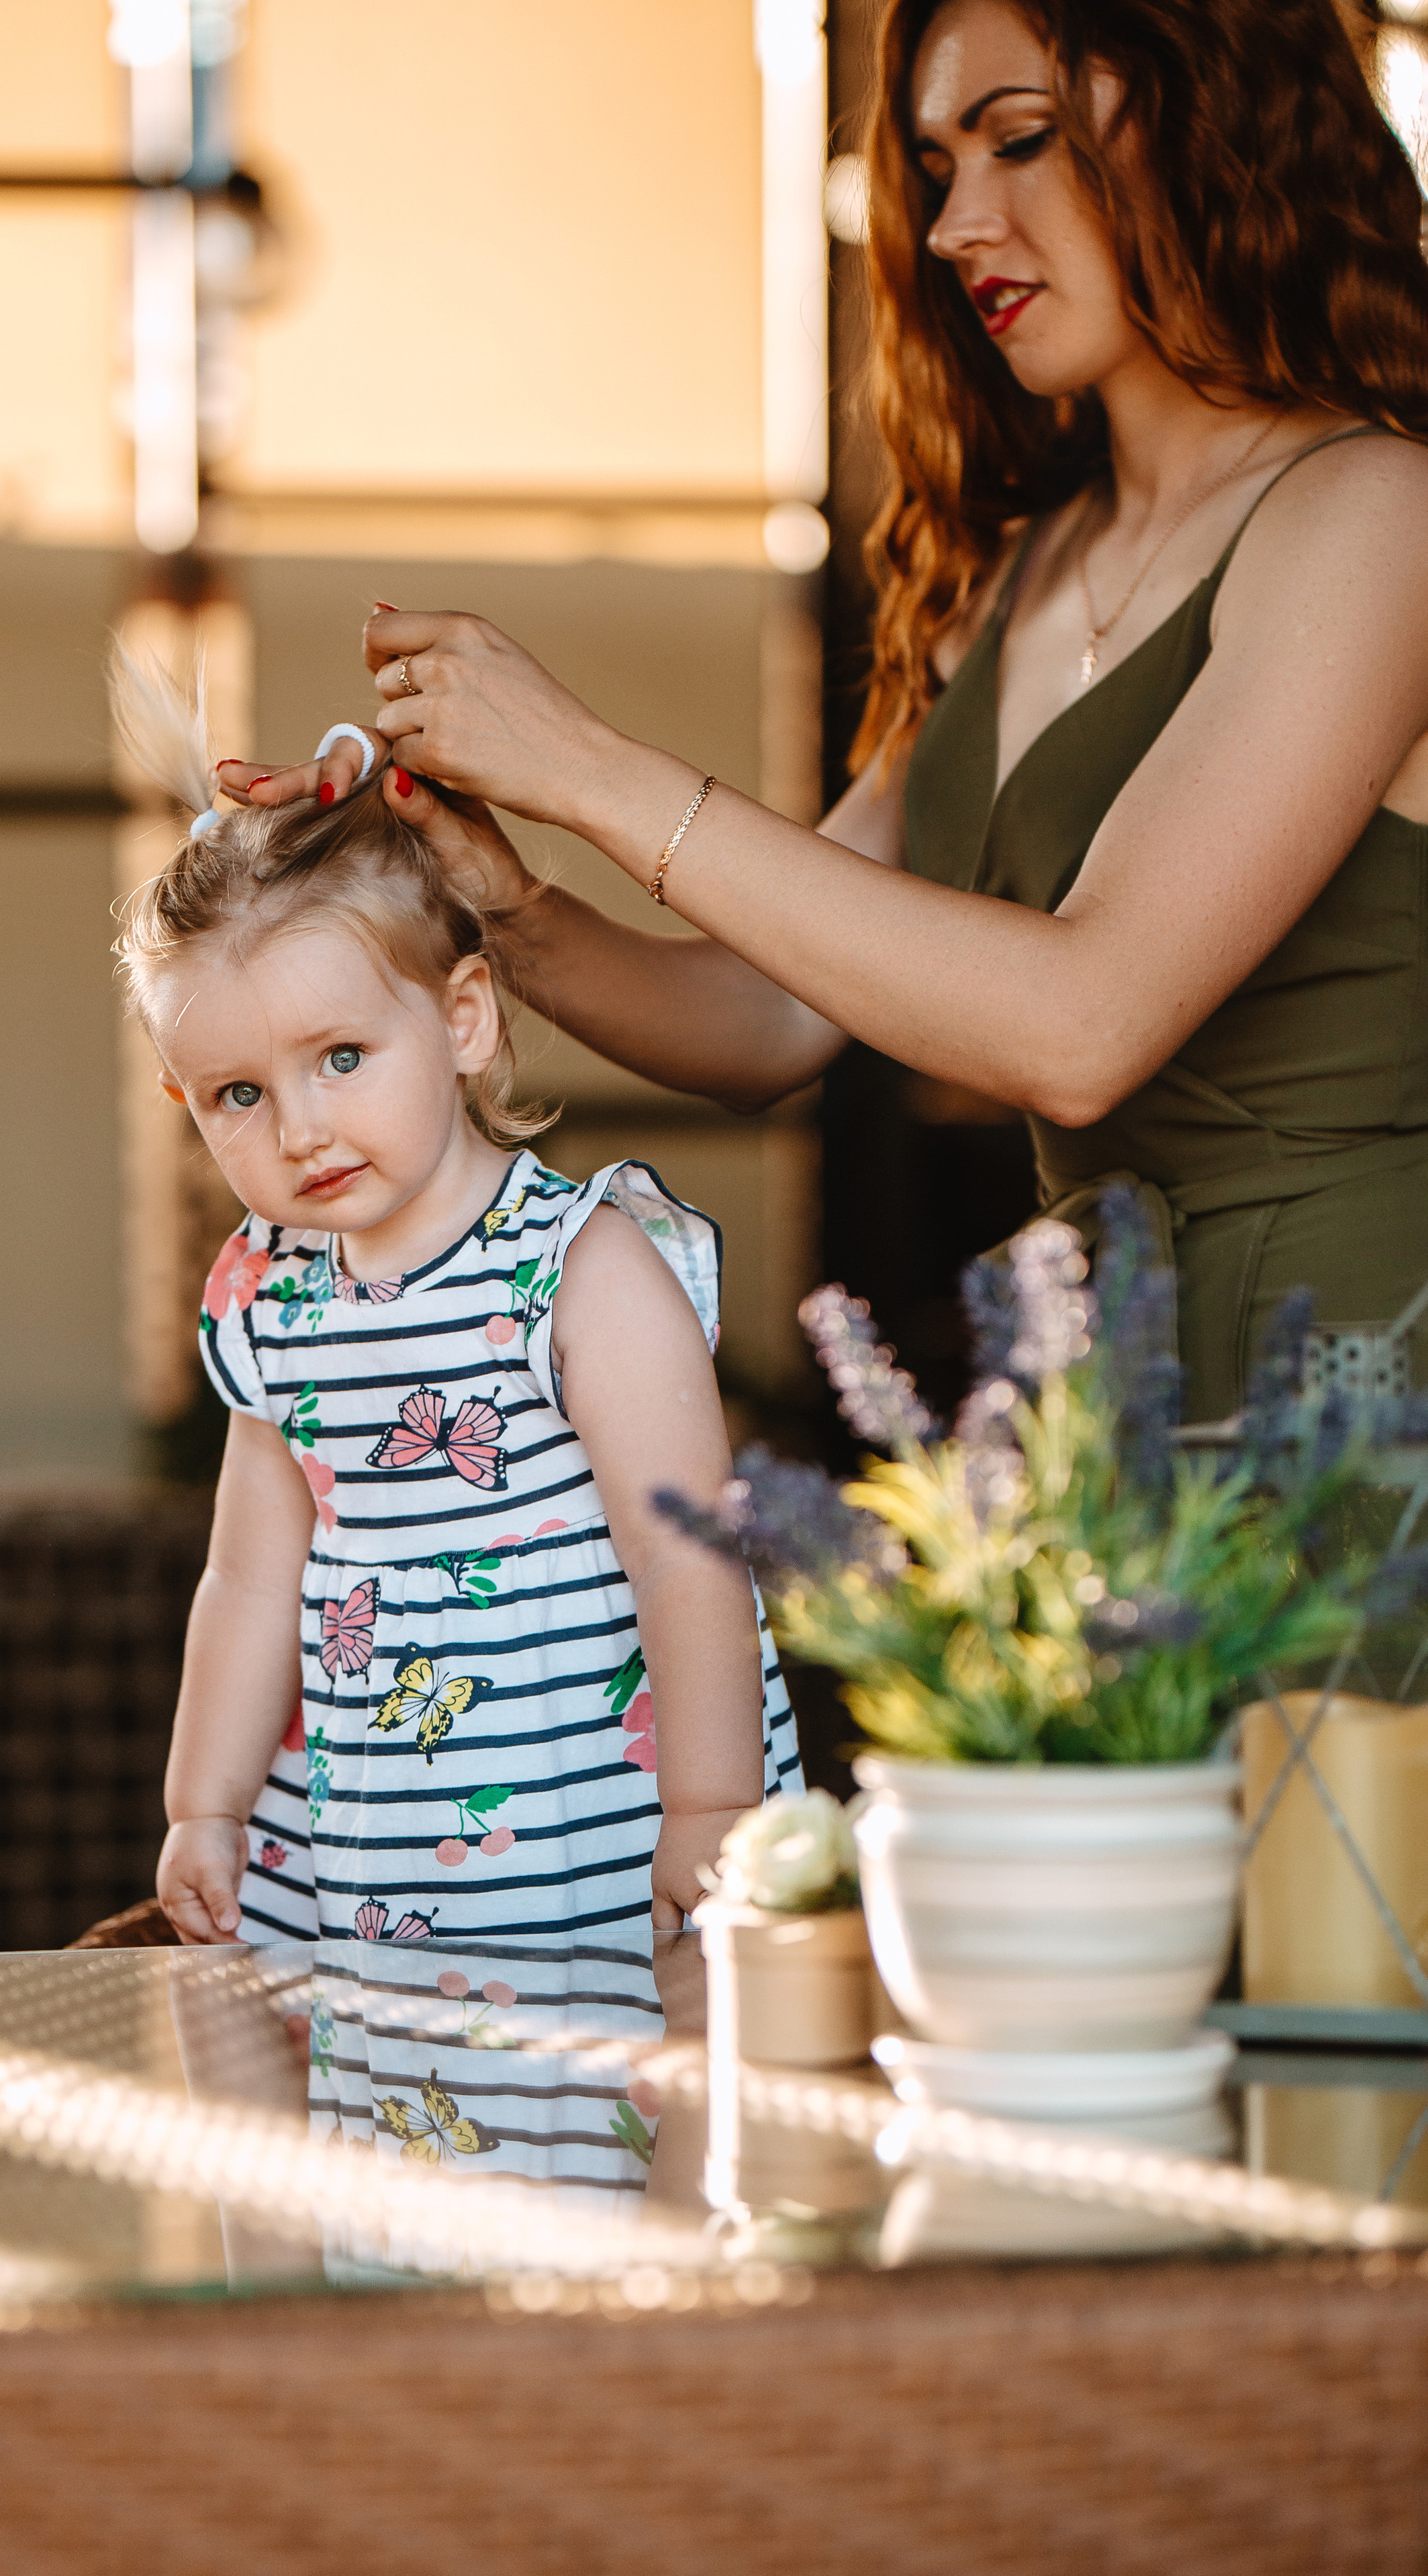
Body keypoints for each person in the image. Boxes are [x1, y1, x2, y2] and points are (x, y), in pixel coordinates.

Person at [219, 0, 1428, 1426]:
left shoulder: (1374, 519)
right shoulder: (1022, 574)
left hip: (1361, 1412)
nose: (950, 224)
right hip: (1108, 1432)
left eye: (1017, 142)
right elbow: (769, 1019)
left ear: (1210, 125)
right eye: (931, 170)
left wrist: (590, 766)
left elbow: (1081, 1023)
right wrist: (503, 904)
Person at [109, 657, 800, 1953]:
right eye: (237, 1095)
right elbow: (250, 1578)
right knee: (395, 2125)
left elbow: (687, 1548)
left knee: (612, 2126)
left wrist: (711, 1803)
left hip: (594, 1831)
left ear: (466, 1017)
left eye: (343, 1057)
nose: (300, 1128)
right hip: (365, 1846)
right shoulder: (273, 1302)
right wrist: (203, 1803)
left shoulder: (581, 1270)